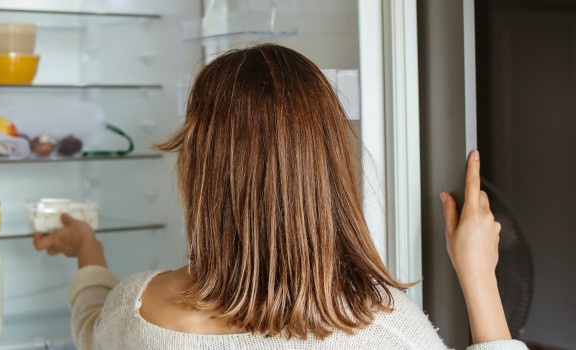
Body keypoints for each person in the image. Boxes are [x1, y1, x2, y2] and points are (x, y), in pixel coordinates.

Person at [33, 44, 527, 349]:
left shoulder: (136, 310)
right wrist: (479, 276)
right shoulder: (379, 328)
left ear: (201, 172)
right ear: (327, 170)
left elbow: (92, 330)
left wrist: (86, 248)